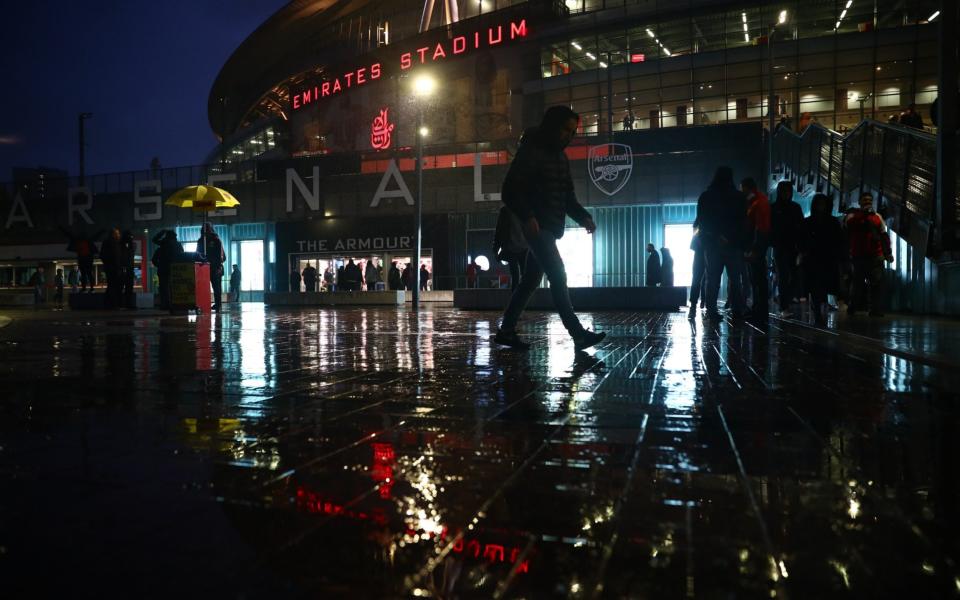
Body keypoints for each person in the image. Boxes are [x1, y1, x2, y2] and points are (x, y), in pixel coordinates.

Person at [495, 105, 605, 351]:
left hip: (547, 228)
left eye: (572, 131)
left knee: (530, 281)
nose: (569, 135)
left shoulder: (560, 158)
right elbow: (509, 189)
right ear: (552, 126)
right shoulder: (532, 151)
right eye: (565, 129)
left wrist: (583, 217)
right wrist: (527, 216)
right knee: (558, 274)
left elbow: (567, 197)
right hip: (537, 228)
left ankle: (506, 331)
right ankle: (578, 334)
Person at [695, 166, 748, 320]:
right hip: (733, 244)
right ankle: (737, 310)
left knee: (712, 279)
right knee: (735, 280)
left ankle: (712, 311)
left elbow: (702, 221)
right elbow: (742, 221)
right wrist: (732, 238)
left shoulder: (706, 196)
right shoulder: (738, 197)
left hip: (712, 244)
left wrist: (715, 236)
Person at [844, 191, 892, 316]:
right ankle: (853, 306)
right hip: (859, 255)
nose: (867, 203)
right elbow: (849, 225)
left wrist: (888, 252)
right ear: (859, 202)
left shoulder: (877, 217)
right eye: (865, 201)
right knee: (857, 283)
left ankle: (874, 309)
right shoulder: (853, 215)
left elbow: (883, 235)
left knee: (876, 282)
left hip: (876, 254)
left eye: (869, 201)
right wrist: (863, 215)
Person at [800, 193, 845, 325]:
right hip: (818, 258)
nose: (821, 207)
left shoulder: (814, 222)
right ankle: (818, 311)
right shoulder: (831, 222)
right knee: (817, 286)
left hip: (824, 258)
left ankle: (819, 310)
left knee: (820, 285)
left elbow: (839, 240)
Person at [770, 181, 804, 318]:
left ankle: (785, 302)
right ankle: (784, 305)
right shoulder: (776, 208)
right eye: (784, 191)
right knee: (784, 276)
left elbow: (801, 227)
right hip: (781, 247)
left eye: (788, 191)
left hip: (792, 247)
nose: (786, 194)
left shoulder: (793, 208)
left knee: (792, 276)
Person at [741, 177, 771, 320]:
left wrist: (754, 248)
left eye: (743, 188)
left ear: (748, 188)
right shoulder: (757, 202)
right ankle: (759, 308)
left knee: (757, 278)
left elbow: (760, 227)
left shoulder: (757, 203)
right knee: (757, 278)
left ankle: (760, 309)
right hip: (757, 245)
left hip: (756, 246)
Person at [493, 205, 528, 291]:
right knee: (523, 276)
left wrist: (495, 249)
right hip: (521, 247)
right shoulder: (525, 209)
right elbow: (499, 230)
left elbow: (499, 230)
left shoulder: (505, 211)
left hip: (513, 248)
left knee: (516, 275)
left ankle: (516, 300)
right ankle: (520, 300)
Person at [198, 224, 226, 311]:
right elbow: (198, 253)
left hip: (213, 267)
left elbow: (221, 256)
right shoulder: (202, 240)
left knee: (215, 286)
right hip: (206, 267)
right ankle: (211, 303)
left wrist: (217, 266)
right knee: (210, 286)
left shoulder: (215, 240)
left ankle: (217, 304)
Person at [152, 230, 183, 309]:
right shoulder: (178, 245)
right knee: (174, 288)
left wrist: (162, 232)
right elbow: (182, 256)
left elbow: (154, 240)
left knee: (163, 288)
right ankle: (175, 304)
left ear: (167, 236)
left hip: (163, 269)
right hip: (175, 270)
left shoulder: (163, 244)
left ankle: (165, 305)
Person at [100, 228, 123, 309]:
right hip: (113, 268)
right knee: (114, 286)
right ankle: (112, 304)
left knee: (111, 286)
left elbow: (102, 255)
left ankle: (109, 304)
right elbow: (116, 257)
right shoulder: (114, 243)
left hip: (111, 268)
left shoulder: (109, 242)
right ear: (114, 234)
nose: (119, 235)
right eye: (117, 233)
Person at [688, 227, 706, 318]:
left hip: (699, 258)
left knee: (696, 281)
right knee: (709, 282)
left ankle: (693, 307)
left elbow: (692, 246)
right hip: (706, 257)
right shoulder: (699, 232)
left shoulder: (698, 232)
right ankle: (709, 307)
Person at [119, 230, 136, 309]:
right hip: (128, 268)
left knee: (121, 287)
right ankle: (128, 304)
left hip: (122, 268)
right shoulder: (130, 245)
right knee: (129, 287)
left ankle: (121, 304)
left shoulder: (121, 244)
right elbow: (130, 255)